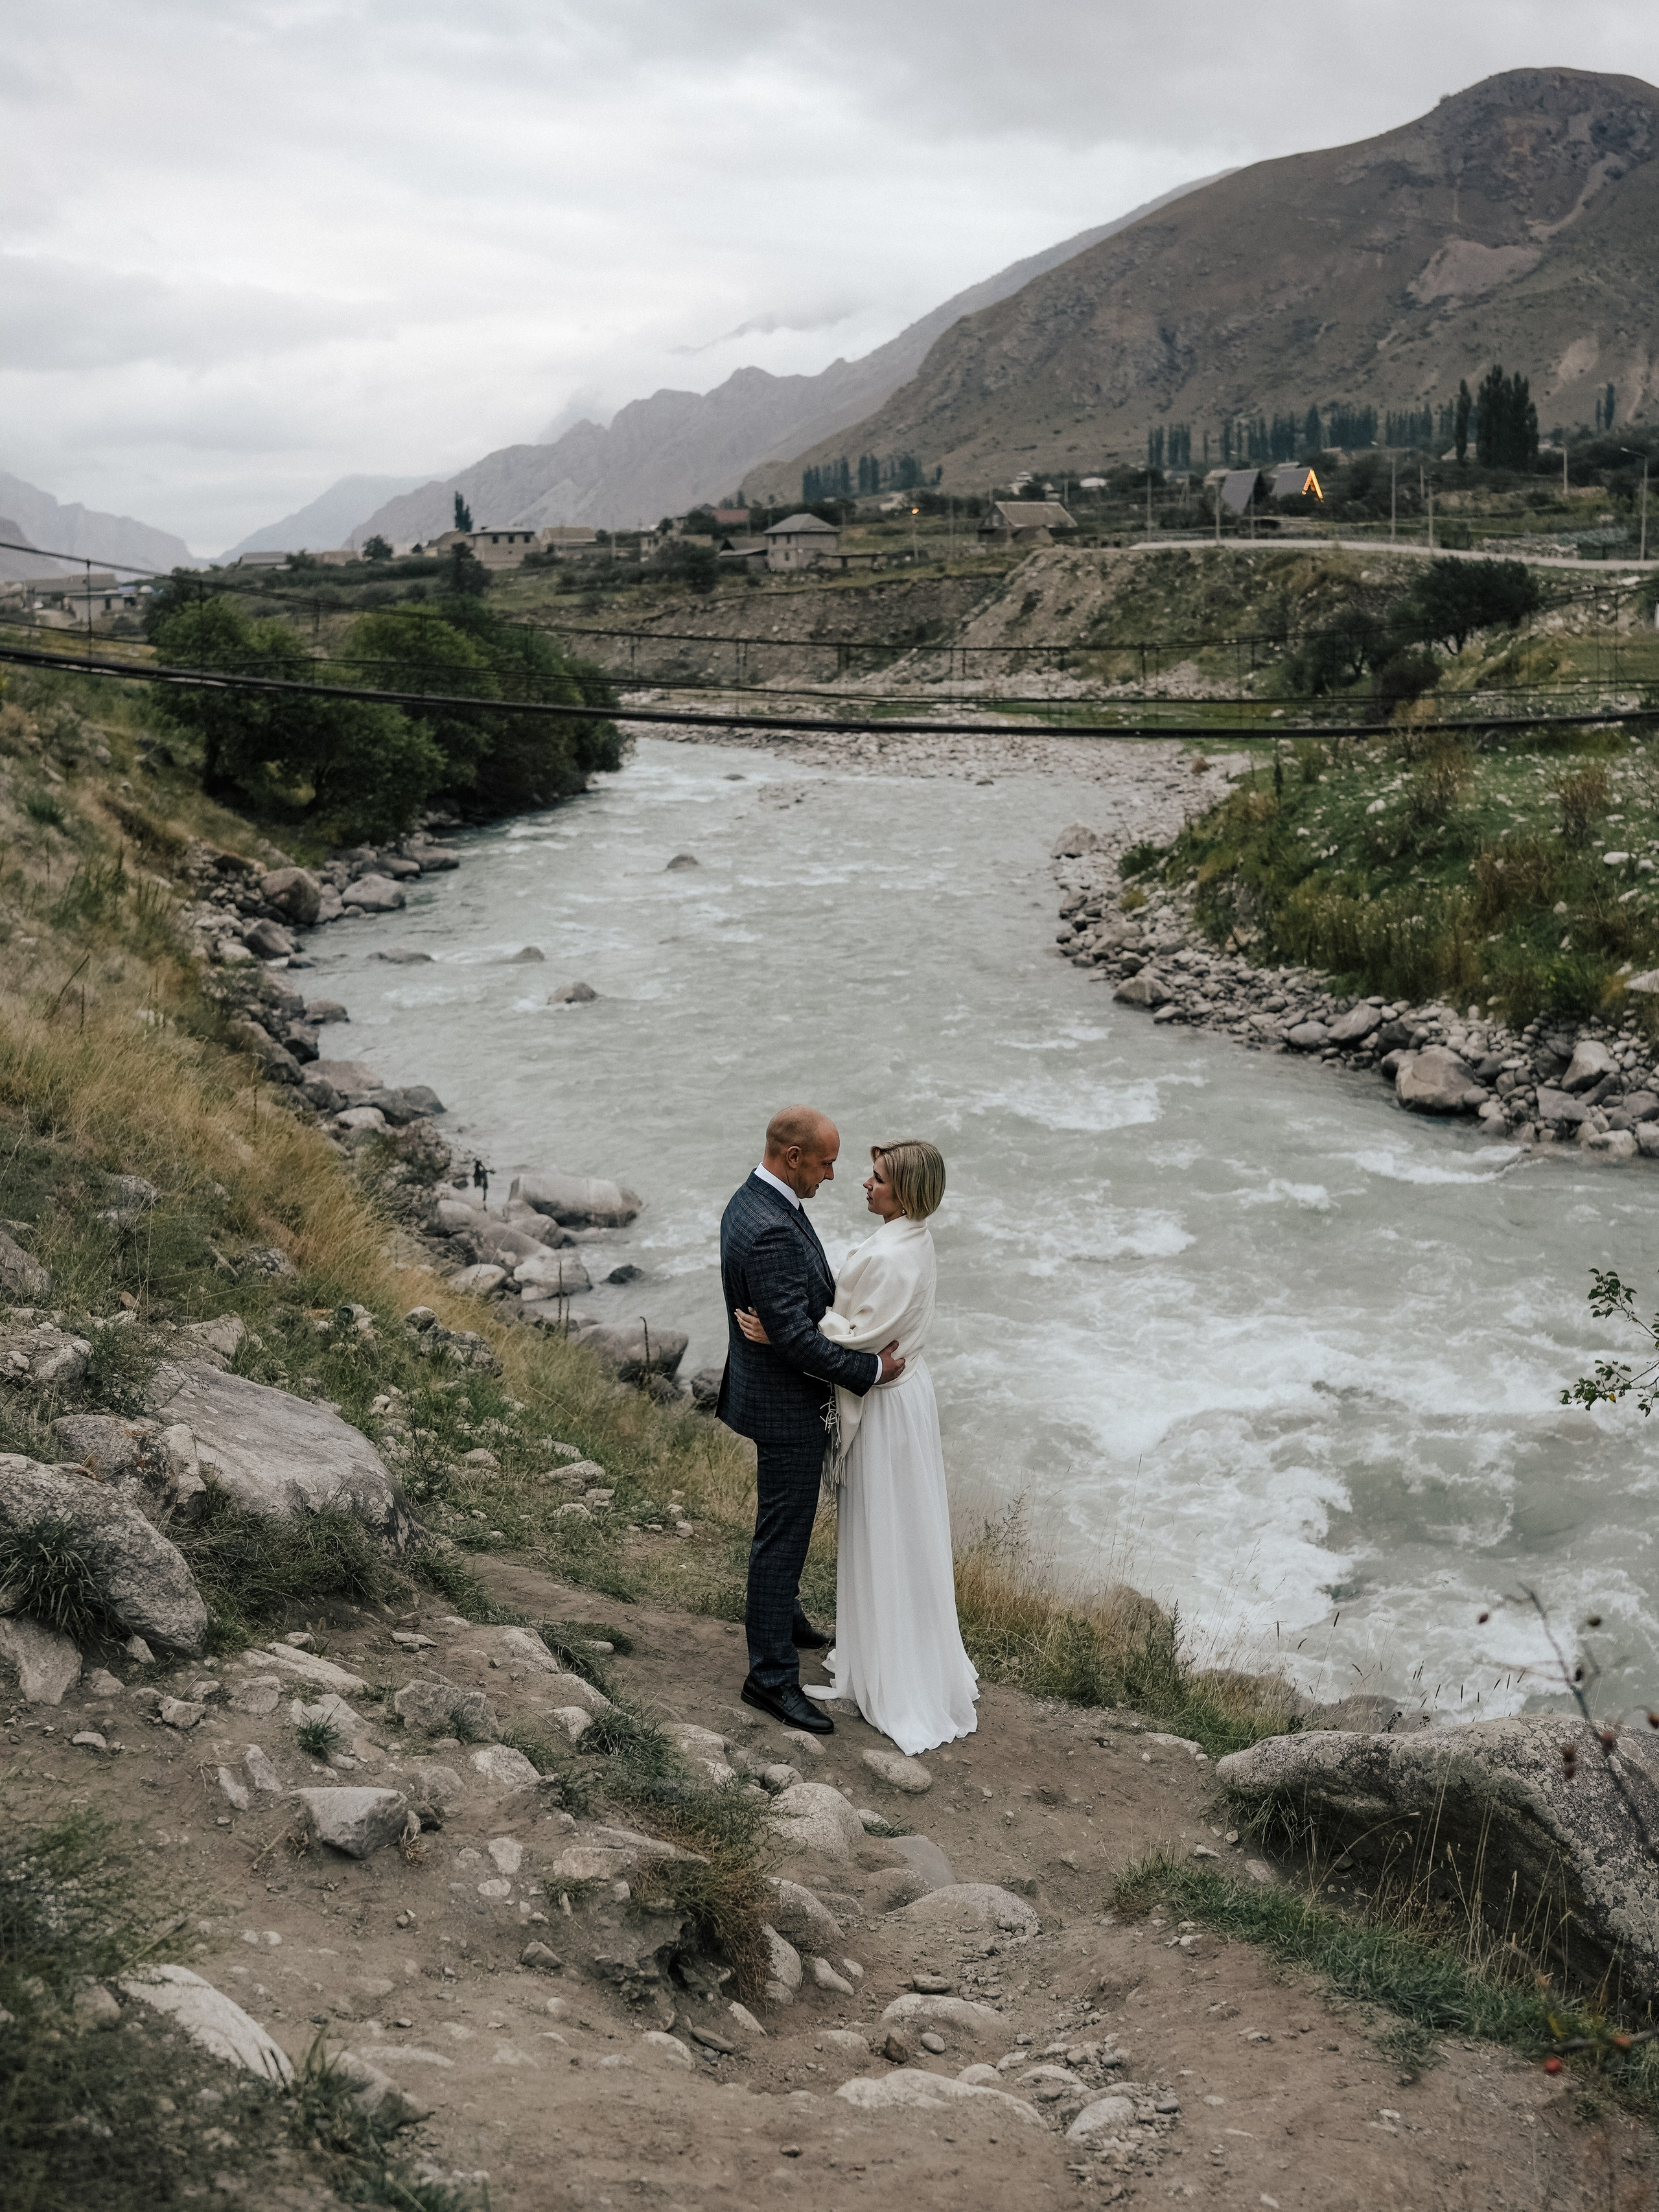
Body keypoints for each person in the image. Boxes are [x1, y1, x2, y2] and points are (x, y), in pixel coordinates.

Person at [734, 1138, 978, 1756]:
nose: (861, 1184)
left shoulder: (898, 1255)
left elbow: (861, 1335)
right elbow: (857, 1327)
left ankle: (890, 1670)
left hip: (888, 1404)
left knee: (886, 1527)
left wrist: (785, 1328)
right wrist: (802, 1327)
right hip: (894, 1392)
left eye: (877, 1179)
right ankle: (871, 1650)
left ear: (907, 1194)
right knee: (884, 1526)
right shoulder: (907, 1237)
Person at [717, 1106, 905, 1733]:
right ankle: (769, 1677)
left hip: (769, 1389)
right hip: (785, 1405)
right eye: (825, 1162)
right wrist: (872, 1371)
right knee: (782, 1537)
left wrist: (793, 1328)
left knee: (784, 1526)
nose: (833, 1174)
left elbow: (793, 1319)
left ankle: (787, 1619)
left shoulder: (753, 1202)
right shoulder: (771, 1227)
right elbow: (797, 1340)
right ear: (792, 1155)